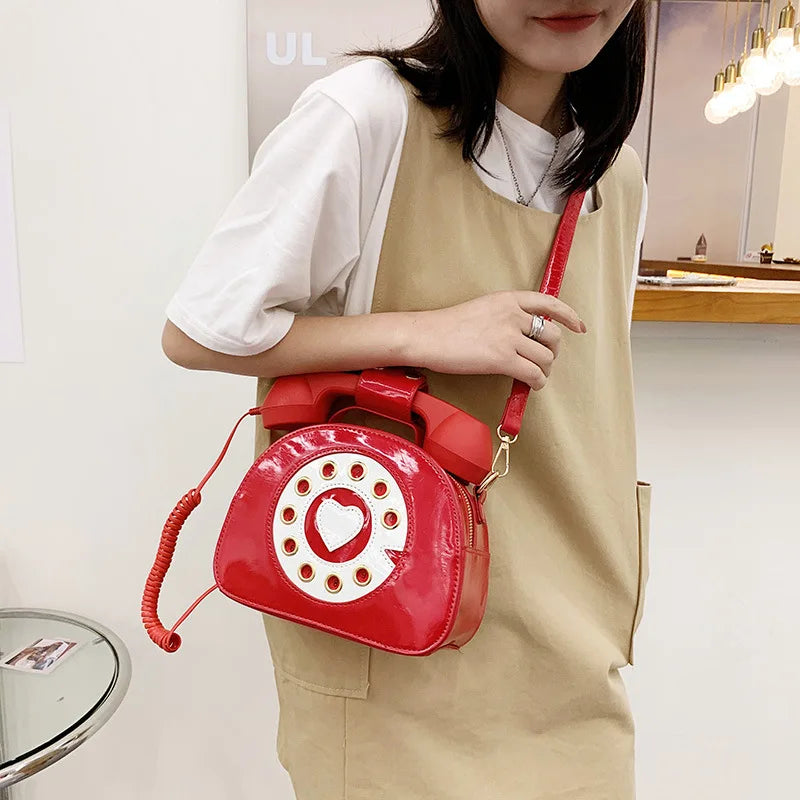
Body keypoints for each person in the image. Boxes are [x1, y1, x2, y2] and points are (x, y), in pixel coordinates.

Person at [161, 0, 652, 797]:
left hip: (567, 646)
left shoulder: (616, 176)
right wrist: (424, 334)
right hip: (391, 646)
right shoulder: (368, 116)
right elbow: (201, 331)